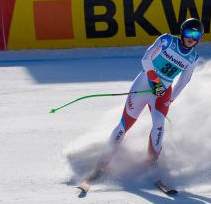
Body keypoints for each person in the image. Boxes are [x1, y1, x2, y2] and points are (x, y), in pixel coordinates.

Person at [78, 18, 204, 193]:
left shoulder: (193, 58)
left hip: (163, 92)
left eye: (196, 35)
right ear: (182, 32)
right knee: (125, 125)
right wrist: (155, 82)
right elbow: (146, 60)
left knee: (159, 125)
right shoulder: (166, 40)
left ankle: (151, 165)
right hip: (144, 84)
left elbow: (184, 81)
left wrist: (170, 98)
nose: (192, 38)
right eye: (189, 33)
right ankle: (102, 165)